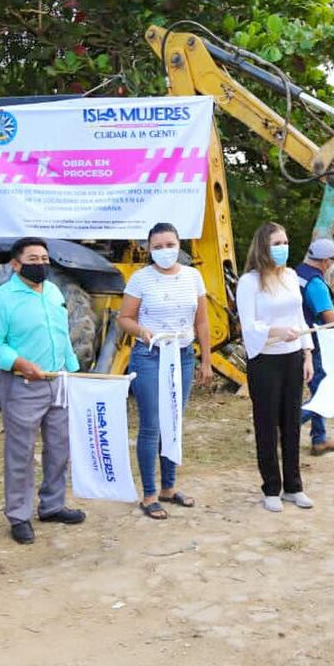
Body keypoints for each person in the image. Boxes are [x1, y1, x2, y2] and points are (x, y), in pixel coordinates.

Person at [0, 237, 85, 545]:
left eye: (44, 259)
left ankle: (52, 505)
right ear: (16, 264)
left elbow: (62, 336)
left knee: (60, 447)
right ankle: (19, 515)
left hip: (58, 381)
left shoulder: (53, 291)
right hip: (23, 384)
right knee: (21, 452)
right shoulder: (0, 300)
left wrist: (72, 370)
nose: (40, 264)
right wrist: (20, 363)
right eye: (33, 259)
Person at [117, 222, 212, 520]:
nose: (164, 251)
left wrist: (206, 360)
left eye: (170, 245)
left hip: (182, 356)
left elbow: (202, 322)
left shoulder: (193, 277)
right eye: (157, 247)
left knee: (174, 421)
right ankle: (149, 494)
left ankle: (169, 488)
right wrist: (141, 331)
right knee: (152, 425)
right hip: (150, 356)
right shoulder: (141, 279)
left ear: (179, 245)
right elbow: (124, 318)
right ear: (149, 249)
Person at [236, 222, 314, 513]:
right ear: (263, 248)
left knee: (292, 423)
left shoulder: (291, 276)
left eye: (285, 242)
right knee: (267, 424)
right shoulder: (250, 282)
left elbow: (299, 318)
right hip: (265, 360)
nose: (283, 248)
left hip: (292, 357)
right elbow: (248, 325)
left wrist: (307, 353)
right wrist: (276, 331)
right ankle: (271, 487)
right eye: (276, 244)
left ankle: (294, 486)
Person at [296, 238, 334, 457]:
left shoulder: (297, 273)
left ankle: (320, 439)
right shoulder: (316, 284)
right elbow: (328, 317)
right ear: (325, 261)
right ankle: (287, 425)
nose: (333, 265)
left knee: (319, 389)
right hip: (311, 343)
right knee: (324, 392)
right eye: (333, 261)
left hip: (295, 339)